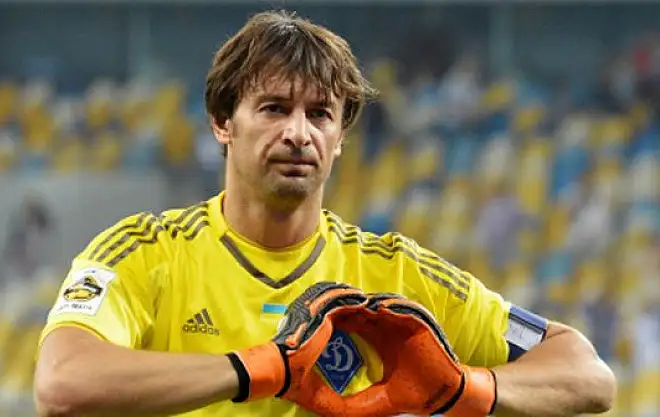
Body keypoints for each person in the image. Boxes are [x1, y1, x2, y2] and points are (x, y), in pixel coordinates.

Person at [33, 10, 617, 417]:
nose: (299, 133)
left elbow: (586, 372)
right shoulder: (145, 253)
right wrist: (262, 369)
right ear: (222, 123)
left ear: (340, 138)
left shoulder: (396, 272)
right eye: (274, 108)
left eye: (320, 114)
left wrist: (468, 388)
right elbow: (62, 385)